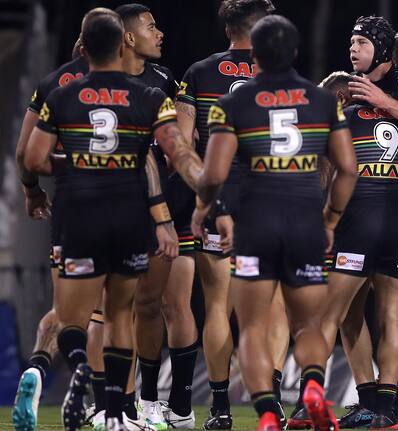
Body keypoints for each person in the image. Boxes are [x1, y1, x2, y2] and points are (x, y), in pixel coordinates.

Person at [22, 11, 203, 430]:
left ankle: (84, 371)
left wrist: (77, 164)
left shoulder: (63, 94)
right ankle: (120, 412)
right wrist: (206, 189)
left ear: (84, 45)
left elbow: (31, 158)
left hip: (78, 215)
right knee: (124, 314)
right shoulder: (148, 96)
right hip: (130, 216)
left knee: (73, 319)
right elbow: (174, 156)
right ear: (123, 41)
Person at [191, 14, 358, 431]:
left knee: (250, 327)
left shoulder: (232, 104)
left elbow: (213, 174)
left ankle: (267, 413)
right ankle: (315, 389)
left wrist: (204, 209)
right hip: (305, 222)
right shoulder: (322, 102)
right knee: (308, 325)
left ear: (256, 54)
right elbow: (348, 168)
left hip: (255, 224)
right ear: (295, 53)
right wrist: (332, 218)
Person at [314, 15, 398, 430]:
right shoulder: (346, 92)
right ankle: (369, 404)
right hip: (370, 216)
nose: (352, 49)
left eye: (360, 42)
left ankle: (377, 408)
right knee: (344, 315)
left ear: (381, 47)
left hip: (393, 218)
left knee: (388, 315)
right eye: (350, 42)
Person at [11, 8, 119, 431]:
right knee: (110, 313)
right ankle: (105, 400)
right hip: (121, 209)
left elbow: (26, 153)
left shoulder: (53, 86)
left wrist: (32, 190)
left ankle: (38, 368)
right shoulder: (130, 86)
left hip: (71, 211)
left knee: (64, 309)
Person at [174, 1, 274, 427]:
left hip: (219, 195)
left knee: (216, 304)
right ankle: (272, 403)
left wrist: (205, 195)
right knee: (273, 307)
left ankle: (219, 407)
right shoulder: (280, 71)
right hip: (272, 195)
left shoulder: (198, 73)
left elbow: (179, 145)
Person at [113, 4, 178, 430]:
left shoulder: (164, 81)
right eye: (151, 26)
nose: (160, 33)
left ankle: (150, 400)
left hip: (156, 207)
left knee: (150, 305)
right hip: (115, 207)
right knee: (112, 309)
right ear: (128, 38)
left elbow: (175, 147)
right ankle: (115, 402)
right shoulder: (97, 80)